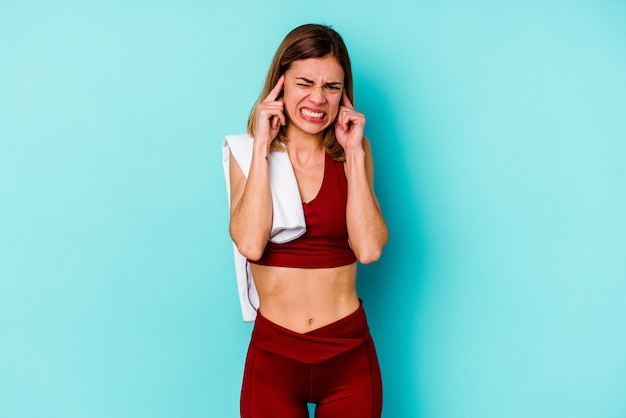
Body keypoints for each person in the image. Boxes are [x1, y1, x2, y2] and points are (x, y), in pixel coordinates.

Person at [227, 23, 388, 418]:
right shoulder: (245, 152)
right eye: (305, 83)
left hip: (347, 353)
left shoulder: (355, 151)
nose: (318, 97)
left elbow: (368, 249)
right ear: (280, 83)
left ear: (344, 94)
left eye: (332, 87)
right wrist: (263, 145)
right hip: (274, 356)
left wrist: (352, 153)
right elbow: (249, 243)